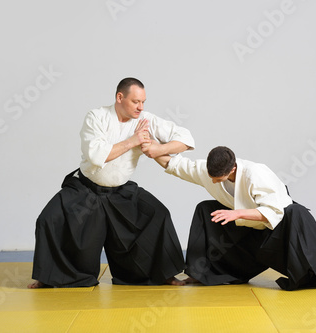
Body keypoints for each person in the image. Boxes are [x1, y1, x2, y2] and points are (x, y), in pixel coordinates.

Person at [28, 78, 195, 288]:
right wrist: (134, 140)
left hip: (120, 192)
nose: (140, 107)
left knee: (158, 214)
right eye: (136, 102)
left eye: (143, 102)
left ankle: (164, 275)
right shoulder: (96, 117)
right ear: (119, 97)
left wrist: (157, 149)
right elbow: (98, 154)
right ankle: (48, 278)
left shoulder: (145, 120)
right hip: (85, 189)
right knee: (49, 219)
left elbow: (186, 139)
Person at [152, 146, 316, 291]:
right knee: (206, 209)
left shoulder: (256, 173)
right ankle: (201, 274)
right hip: (248, 231)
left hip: (279, 230)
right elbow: (177, 165)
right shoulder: (210, 171)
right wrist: (150, 150)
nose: (212, 180)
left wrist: (236, 213)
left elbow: (274, 211)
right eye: (211, 175)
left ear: (231, 169)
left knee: (298, 214)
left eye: (217, 177)